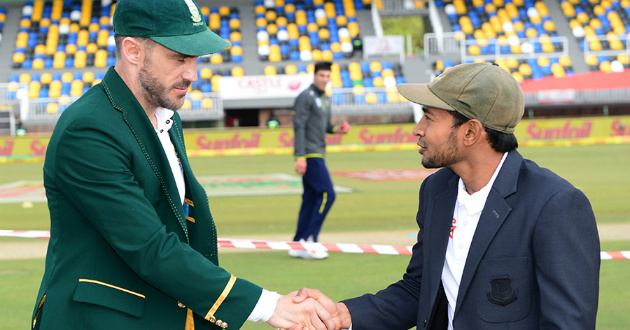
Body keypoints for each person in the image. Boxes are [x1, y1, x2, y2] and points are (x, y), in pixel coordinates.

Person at [31, 1, 338, 329]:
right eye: (179, 58)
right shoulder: (89, 129)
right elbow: (148, 246)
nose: (192, 74)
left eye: (194, 60)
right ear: (133, 51)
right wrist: (268, 306)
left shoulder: (166, 116)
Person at [295, 62, 601, 329]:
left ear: (470, 131)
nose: (417, 129)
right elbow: (419, 290)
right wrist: (342, 315)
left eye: (428, 117)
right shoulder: (436, 191)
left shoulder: (556, 205)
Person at [291, 61, 350, 259]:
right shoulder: (305, 97)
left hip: (318, 152)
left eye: (327, 76)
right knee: (328, 194)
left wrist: (338, 128)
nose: (325, 79)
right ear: (314, 76)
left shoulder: (325, 98)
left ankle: (297, 242)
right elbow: (298, 127)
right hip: (310, 154)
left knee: (311, 198)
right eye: (321, 76)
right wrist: (300, 156)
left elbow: (326, 126)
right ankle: (311, 239)